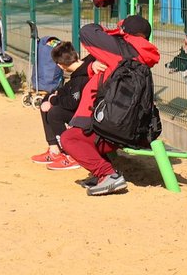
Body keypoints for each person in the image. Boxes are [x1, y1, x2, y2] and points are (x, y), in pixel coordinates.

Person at [59, 14, 159, 196]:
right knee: (81, 138)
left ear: (126, 32)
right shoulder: (142, 54)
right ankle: (103, 174)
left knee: (69, 139)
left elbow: (87, 31)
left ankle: (108, 174)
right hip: (125, 126)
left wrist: (113, 33)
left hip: (106, 123)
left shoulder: (122, 48)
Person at [29, 42, 95, 171]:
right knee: (46, 100)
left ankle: (72, 154)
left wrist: (54, 100)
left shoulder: (83, 76)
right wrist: (53, 97)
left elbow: (73, 103)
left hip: (86, 113)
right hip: (79, 107)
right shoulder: (82, 67)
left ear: (61, 66)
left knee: (55, 112)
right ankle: (55, 149)